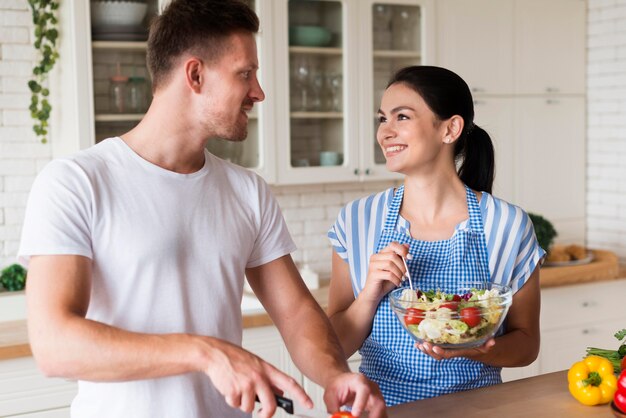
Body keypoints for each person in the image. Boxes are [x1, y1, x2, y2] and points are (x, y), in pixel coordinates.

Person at [17, 1, 386, 417]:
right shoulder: (77, 182)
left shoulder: (247, 191)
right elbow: (53, 345)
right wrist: (206, 353)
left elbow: (298, 313)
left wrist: (336, 376)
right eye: (245, 73)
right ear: (195, 74)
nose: (258, 92)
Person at [326, 65, 545, 406]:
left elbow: (527, 345)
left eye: (402, 117)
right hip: (381, 409)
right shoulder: (358, 220)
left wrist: (478, 349)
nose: (385, 132)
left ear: (450, 129)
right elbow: (333, 346)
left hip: (478, 410)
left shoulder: (506, 225)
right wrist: (370, 293)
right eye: (382, 119)